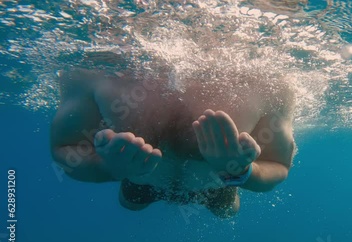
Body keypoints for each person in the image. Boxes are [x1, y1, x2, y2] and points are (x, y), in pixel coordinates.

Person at [50, 67, 296, 218]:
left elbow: (277, 165)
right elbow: (64, 149)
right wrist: (109, 168)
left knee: (226, 211)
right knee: (131, 205)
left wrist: (240, 173)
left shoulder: (272, 82)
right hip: (140, 183)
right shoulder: (90, 69)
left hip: (217, 187)